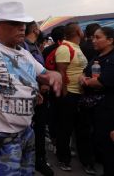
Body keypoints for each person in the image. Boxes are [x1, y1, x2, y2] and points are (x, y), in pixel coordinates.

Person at [0, 1, 62, 175]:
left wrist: (55, 75)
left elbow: (44, 74)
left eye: (23, 24)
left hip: (26, 129)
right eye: (15, 24)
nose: (22, 28)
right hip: (1, 132)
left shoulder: (24, 53)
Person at [54, 22, 93, 173]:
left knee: (83, 129)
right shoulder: (65, 48)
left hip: (80, 94)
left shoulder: (77, 47)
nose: (83, 31)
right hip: (69, 94)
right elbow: (61, 73)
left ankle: (86, 161)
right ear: (77, 31)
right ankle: (64, 159)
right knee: (66, 128)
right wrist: (65, 94)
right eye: (80, 29)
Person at [79, 27, 114, 176]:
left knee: (109, 147)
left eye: (98, 37)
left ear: (110, 40)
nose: (93, 40)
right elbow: (83, 73)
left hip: (109, 110)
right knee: (101, 143)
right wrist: (84, 78)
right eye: (93, 37)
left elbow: (101, 82)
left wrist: (86, 82)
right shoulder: (98, 56)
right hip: (96, 109)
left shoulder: (112, 58)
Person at [21, 22, 54, 176]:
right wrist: (40, 84)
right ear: (35, 29)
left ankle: (38, 159)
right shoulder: (24, 46)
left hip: (39, 94)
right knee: (33, 128)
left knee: (39, 129)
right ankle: (35, 160)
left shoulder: (33, 46)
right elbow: (25, 69)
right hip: (32, 95)